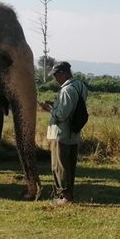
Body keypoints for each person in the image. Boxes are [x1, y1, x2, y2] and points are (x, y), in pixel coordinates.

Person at [42, 61, 87, 204]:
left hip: (61, 133)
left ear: (63, 73)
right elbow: (73, 107)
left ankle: (64, 197)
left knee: (59, 166)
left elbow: (62, 115)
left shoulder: (67, 90)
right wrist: (55, 104)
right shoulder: (80, 86)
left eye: (56, 75)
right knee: (69, 166)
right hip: (73, 134)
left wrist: (48, 108)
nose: (55, 78)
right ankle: (68, 194)